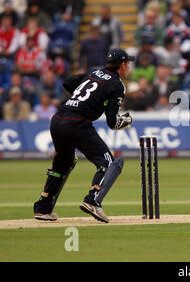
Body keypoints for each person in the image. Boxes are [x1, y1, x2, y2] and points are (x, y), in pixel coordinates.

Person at [33, 49, 135, 223]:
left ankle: (43, 207)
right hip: (77, 123)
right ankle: (93, 200)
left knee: (62, 163)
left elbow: (67, 83)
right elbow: (112, 122)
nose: (129, 68)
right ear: (123, 65)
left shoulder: (93, 71)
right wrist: (126, 121)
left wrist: (80, 99)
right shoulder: (118, 85)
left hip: (58, 119)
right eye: (128, 64)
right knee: (108, 162)